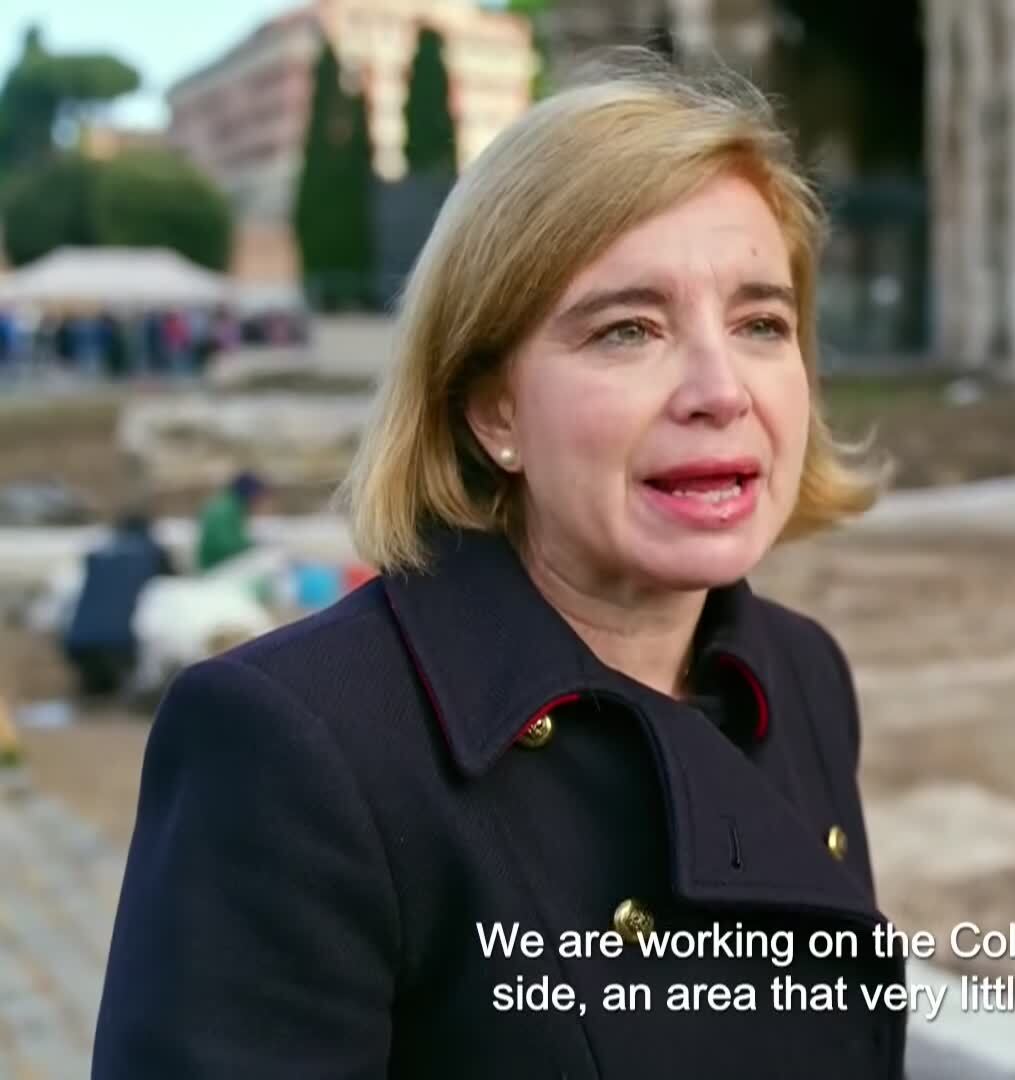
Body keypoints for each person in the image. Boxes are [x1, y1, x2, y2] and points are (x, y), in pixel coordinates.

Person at [95, 58, 904, 1079]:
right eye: (628, 329)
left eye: (760, 324)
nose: (721, 389)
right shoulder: (293, 747)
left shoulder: (802, 672)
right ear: (493, 409)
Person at [62, 511, 175, 697]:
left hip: (80, 641)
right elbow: (172, 586)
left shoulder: (98, 554)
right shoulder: (154, 554)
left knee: (97, 694)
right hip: (124, 643)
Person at [194, 470, 266, 571]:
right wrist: (254, 547)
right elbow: (227, 545)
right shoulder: (225, 509)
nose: (257, 501)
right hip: (215, 569)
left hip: (218, 565)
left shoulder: (228, 504)